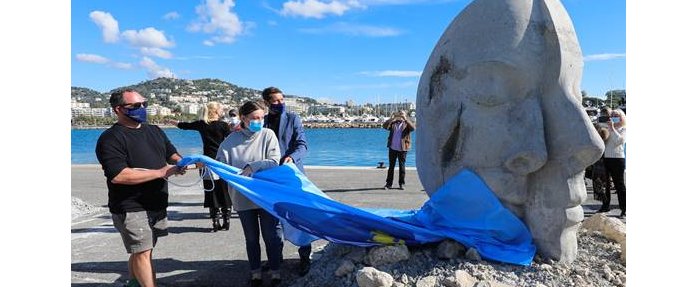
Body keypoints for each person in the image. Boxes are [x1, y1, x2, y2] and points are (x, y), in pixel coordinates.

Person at [95, 89, 185, 287]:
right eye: (135, 106)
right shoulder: (110, 138)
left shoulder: (154, 130)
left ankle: (134, 283)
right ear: (118, 109)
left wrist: (184, 162)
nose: (142, 108)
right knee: (142, 251)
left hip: (156, 202)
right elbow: (119, 175)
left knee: (144, 249)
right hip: (131, 206)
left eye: (144, 104)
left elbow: (172, 154)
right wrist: (161, 172)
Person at [216, 100, 283, 287]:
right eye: (254, 118)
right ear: (243, 118)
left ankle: (276, 271)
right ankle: (255, 273)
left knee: (271, 236)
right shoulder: (230, 141)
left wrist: (252, 167)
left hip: (266, 196)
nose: (259, 121)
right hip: (242, 197)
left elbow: (274, 161)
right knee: (251, 238)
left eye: (262, 118)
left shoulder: (268, 135)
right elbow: (220, 163)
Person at [261, 86, 312, 276]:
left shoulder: (293, 118)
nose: (281, 103)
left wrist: (292, 157)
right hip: (270, 178)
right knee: (273, 220)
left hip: (292, 175)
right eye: (276, 100)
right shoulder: (262, 122)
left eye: (282, 99)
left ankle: (305, 257)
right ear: (267, 103)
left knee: (300, 217)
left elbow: (302, 144)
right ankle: (276, 258)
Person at [169, 102, 232, 232]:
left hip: (207, 161)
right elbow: (232, 140)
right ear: (215, 111)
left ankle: (215, 221)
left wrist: (171, 121)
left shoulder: (202, 124)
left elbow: (183, 126)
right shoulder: (223, 125)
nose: (222, 111)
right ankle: (227, 219)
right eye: (220, 109)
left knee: (210, 190)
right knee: (224, 190)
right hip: (222, 162)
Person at [598, 109, 626, 218]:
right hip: (606, 158)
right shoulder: (607, 128)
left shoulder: (623, 129)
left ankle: (624, 208)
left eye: (617, 115)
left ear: (621, 117)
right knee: (605, 186)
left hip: (617, 159)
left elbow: (619, 141)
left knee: (619, 185)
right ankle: (605, 205)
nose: (614, 116)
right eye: (612, 115)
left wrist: (613, 128)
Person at [382, 110, 415, 190]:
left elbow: (413, 128)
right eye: (399, 114)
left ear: (405, 115)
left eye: (402, 114)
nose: (400, 115)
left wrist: (406, 119)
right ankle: (388, 184)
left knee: (402, 166)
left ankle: (401, 183)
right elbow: (384, 126)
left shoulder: (407, 124)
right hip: (392, 148)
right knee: (391, 167)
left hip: (402, 148)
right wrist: (392, 118)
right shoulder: (393, 123)